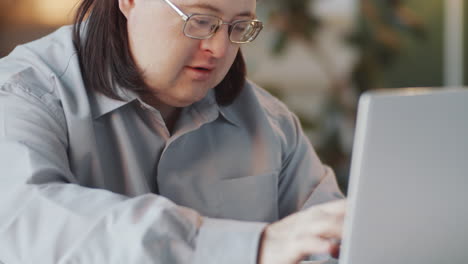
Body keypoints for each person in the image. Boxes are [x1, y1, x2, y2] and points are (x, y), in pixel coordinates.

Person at [0, 0, 346, 263]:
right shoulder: (22, 94)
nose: (220, 49)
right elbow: (30, 224)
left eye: (239, 27)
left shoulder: (271, 123)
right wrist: (252, 246)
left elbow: (335, 242)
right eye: (201, 21)